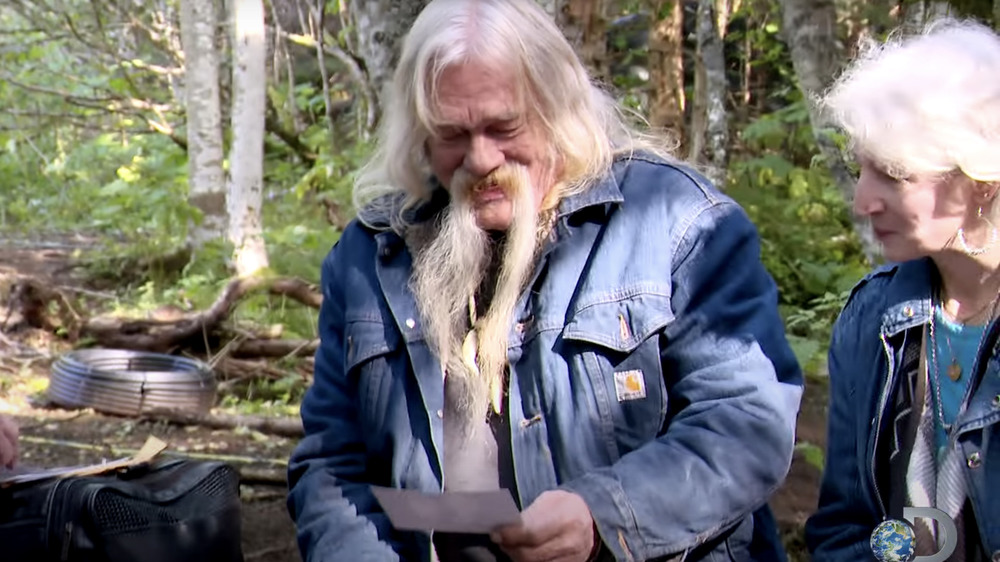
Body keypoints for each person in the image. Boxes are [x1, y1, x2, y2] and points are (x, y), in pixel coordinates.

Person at [286, 0, 803, 560]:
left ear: (558, 108)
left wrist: (602, 515)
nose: (481, 158)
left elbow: (745, 424)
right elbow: (331, 466)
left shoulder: (677, 225)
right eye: (452, 134)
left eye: (504, 126)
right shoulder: (371, 257)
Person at [805, 18, 1000, 562]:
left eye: (894, 173)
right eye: (861, 168)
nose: (864, 199)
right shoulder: (874, 316)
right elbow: (847, 526)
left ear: (981, 182)